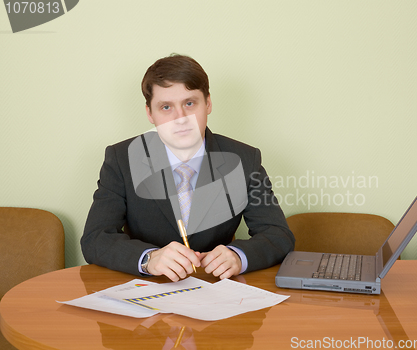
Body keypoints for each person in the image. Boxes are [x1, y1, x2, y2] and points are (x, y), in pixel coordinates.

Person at [81, 54, 294, 282]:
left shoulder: (244, 159)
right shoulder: (121, 159)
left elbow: (278, 234)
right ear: (150, 113)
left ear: (208, 103)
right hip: (146, 295)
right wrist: (148, 258)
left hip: (216, 292)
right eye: (166, 107)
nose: (180, 118)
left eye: (189, 103)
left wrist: (239, 256)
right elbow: (95, 238)